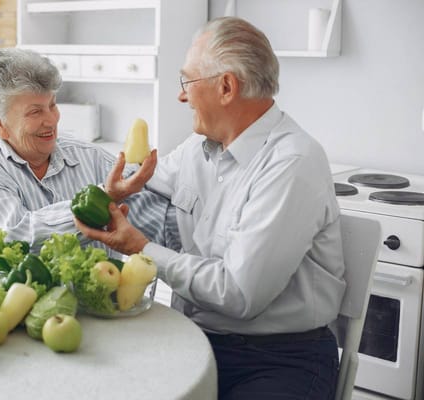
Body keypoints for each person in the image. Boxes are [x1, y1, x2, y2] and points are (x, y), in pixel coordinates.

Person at [76, 17, 345, 400]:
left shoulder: (292, 163)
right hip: (195, 340)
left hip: (278, 359)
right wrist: (122, 187)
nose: (181, 96)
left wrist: (140, 248)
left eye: (187, 81)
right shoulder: (198, 149)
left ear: (226, 87)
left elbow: (238, 294)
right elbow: (145, 186)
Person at [0, 47, 179, 278]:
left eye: (52, 104)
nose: (51, 120)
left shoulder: (88, 156)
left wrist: (202, 221)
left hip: (79, 307)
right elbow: (14, 239)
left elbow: (152, 214)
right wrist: (102, 198)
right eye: (35, 112)